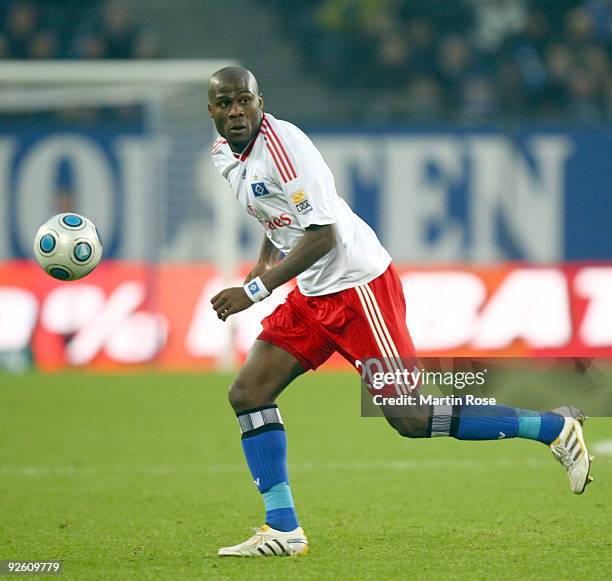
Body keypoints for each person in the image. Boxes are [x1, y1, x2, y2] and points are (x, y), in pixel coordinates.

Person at [207, 66, 593, 557]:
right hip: (313, 292)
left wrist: (258, 289)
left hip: (358, 288)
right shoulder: (225, 154)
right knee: (248, 392)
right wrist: (266, 258)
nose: (237, 111)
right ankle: (283, 529)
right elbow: (279, 211)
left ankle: (553, 428)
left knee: (410, 418)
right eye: (226, 104)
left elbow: (322, 234)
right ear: (213, 111)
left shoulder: (286, 148)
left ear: (261, 101)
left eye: (245, 101)